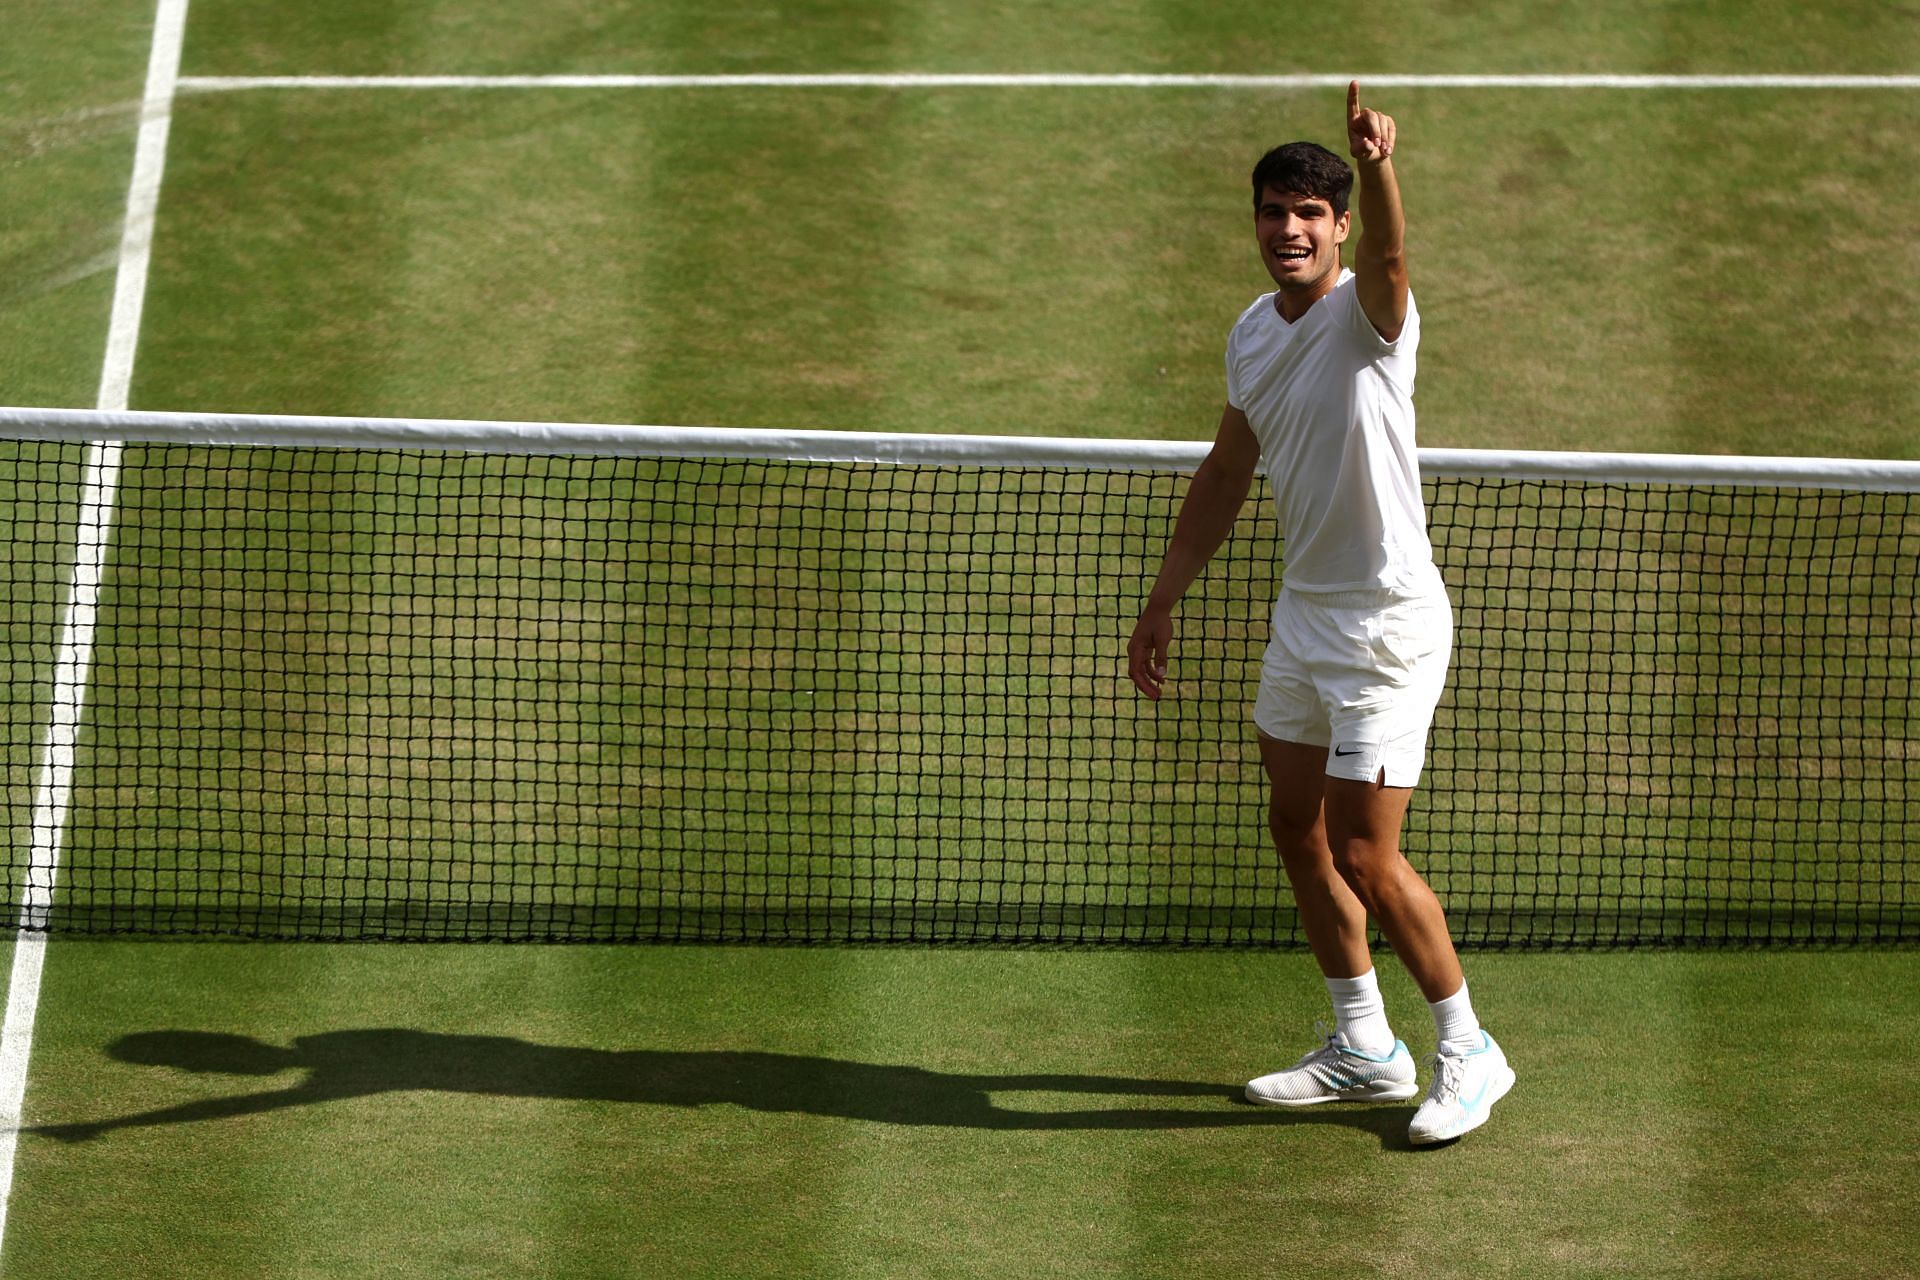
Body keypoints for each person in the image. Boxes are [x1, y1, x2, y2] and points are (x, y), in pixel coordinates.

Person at [1127, 82, 1514, 1145]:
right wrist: (1165, 596)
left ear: (1338, 226)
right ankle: (1362, 1044)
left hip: (1387, 625)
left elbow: (1394, 264)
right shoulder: (1253, 335)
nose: (1289, 229)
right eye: (1272, 211)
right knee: (1294, 824)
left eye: (1310, 212)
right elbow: (1228, 466)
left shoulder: (1373, 316)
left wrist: (1380, 163)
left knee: (1365, 852)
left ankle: (1470, 1049)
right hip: (1305, 616)